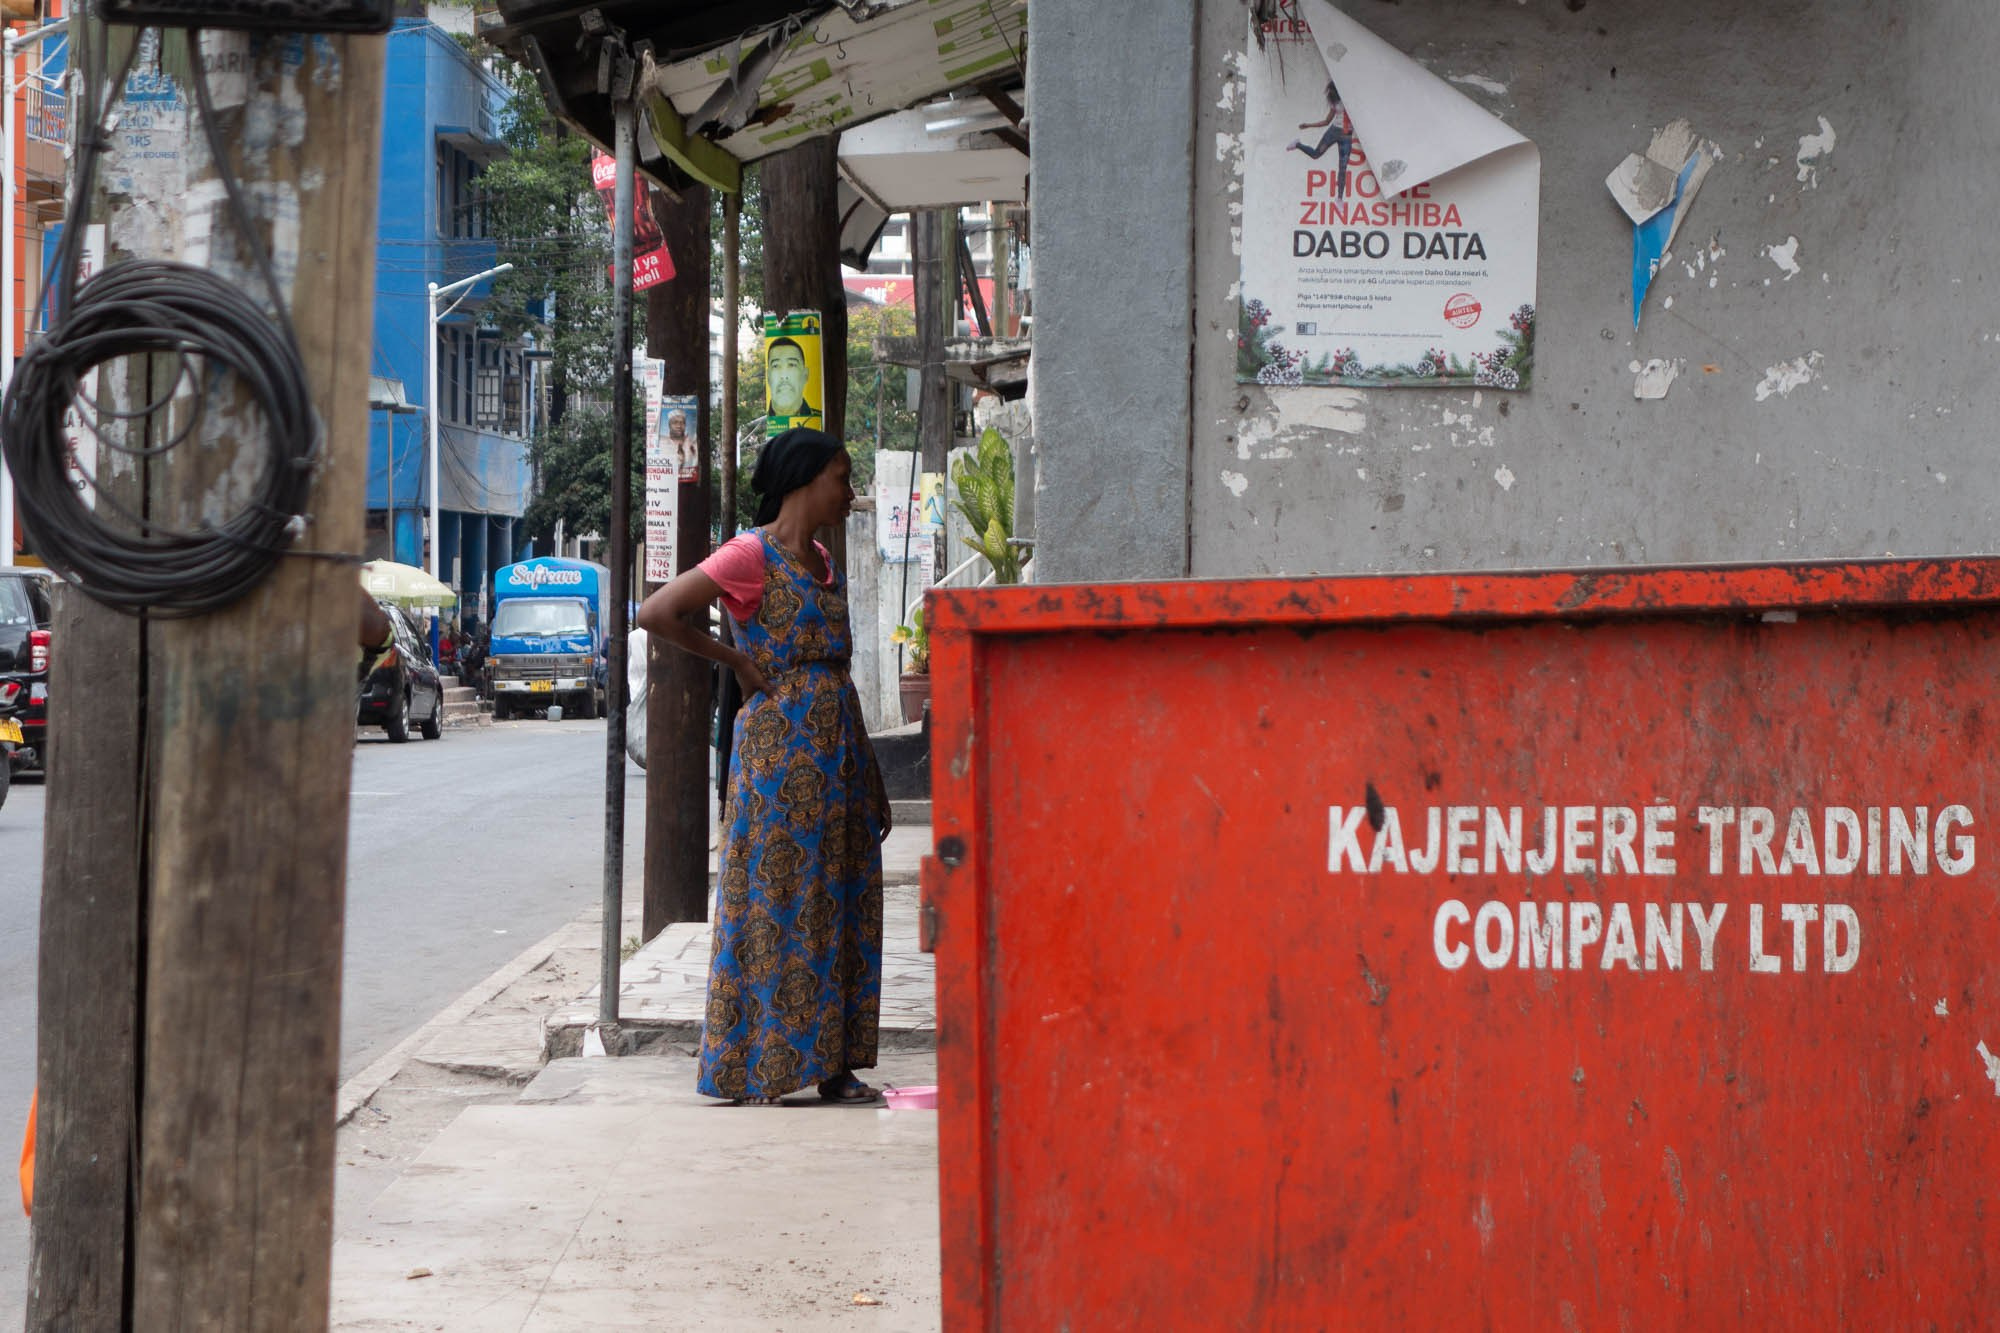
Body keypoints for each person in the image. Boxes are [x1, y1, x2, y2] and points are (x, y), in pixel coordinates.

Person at [636, 427, 889, 1105]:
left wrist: (869, 772)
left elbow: (837, 668)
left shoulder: (822, 560)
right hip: (778, 759)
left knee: (841, 902)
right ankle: (764, 1065)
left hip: (837, 753)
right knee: (777, 903)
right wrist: (738, 661)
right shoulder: (751, 554)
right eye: (841, 476)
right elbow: (658, 611)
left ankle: (834, 1065)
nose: (849, 491)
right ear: (806, 478)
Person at [1288, 80, 1356, 199]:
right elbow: (1326, 121)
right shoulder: (1335, 103)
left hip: (1347, 135)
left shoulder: (1351, 97)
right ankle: (1297, 144)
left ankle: (1339, 198)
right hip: (1334, 131)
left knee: (1343, 167)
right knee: (1315, 154)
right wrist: (1309, 125)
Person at [765, 337, 819, 421]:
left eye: (792, 365)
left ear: (805, 375)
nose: (784, 375)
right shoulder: (760, 427)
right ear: (768, 377)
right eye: (776, 366)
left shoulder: (819, 420)